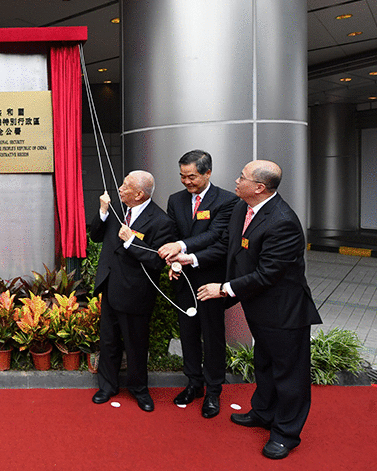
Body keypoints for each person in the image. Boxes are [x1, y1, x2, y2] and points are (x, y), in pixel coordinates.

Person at [171, 160, 322, 459]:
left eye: (242, 177)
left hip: (284, 312)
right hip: (258, 308)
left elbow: (267, 274)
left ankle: (286, 434)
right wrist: (190, 259)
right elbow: (229, 245)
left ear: (259, 187)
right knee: (264, 365)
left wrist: (223, 288)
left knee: (290, 377)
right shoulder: (243, 207)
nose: (236, 181)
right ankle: (263, 412)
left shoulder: (283, 222)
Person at [157, 150, 238, 418]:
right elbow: (172, 234)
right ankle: (194, 383)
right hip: (184, 281)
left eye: (191, 176)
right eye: (182, 176)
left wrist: (184, 252)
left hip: (210, 280)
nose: (186, 181)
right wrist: (175, 264)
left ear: (207, 173)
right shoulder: (176, 200)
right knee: (188, 334)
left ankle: (214, 390)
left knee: (212, 336)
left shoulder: (227, 200)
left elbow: (218, 238)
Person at [89, 170, 174, 412]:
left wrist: (130, 241)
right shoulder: (117, 209)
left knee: (136, 344)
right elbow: (96, 236)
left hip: (136, 292)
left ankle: (139, 389)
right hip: (110, 284)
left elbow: (158, 261)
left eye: (125, 186)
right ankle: (107, 386)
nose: (120, 189)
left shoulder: (160, 221)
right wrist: (103, 212)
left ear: (139, 193)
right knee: (108, 340)